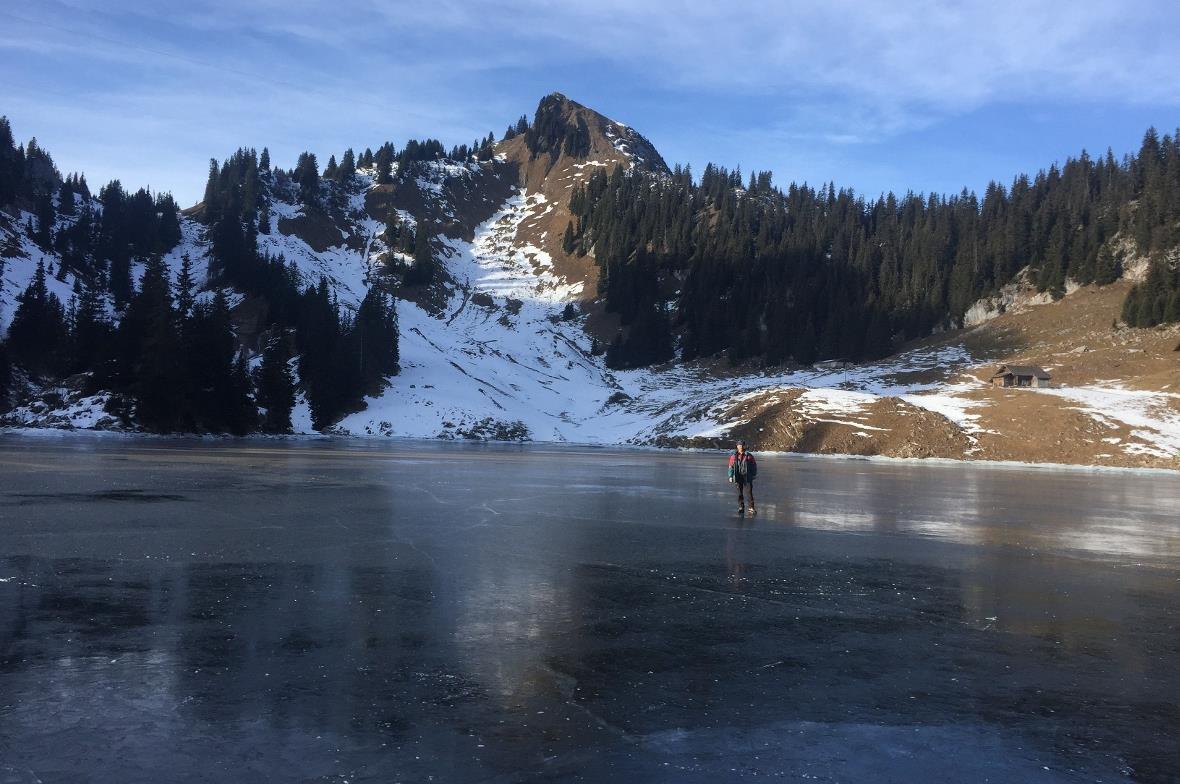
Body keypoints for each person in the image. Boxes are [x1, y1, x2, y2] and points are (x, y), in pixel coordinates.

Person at [727, 439, 757, 514]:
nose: (740, 447)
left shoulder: (749, 456)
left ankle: (751, 507)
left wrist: (753, 474)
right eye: (738, 445)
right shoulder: (733, 456)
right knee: (739, 493)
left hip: (747, 477)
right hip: (738, 476)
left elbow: (754, 466)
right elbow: (731, 467)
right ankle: (741, 507)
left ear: (744, 446)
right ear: (737, 446)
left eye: (741, 445)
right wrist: (730, 476)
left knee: (749, 493)